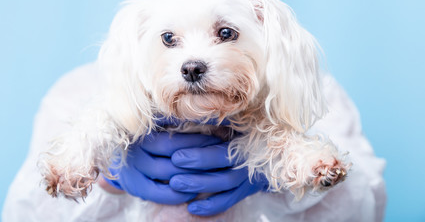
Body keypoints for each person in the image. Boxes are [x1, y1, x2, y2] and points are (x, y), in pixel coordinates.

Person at [2, 62, 386, 221]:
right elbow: (23, 213)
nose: (194, 61)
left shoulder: (309, 86)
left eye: (225, 34)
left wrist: (278, 179)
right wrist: (109, 178)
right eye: (171, 38)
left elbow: (369, 206)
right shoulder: (82, 88)